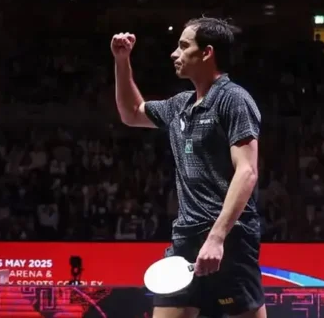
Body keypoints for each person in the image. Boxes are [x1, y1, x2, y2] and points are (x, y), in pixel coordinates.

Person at [112, 17, 266, 318]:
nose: (175, 53)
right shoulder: (180, 105)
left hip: (230, 240)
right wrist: (121, 61)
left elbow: (247, 171)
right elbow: (131, 113)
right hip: (185, 239)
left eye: (184, 46)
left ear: (207, 53)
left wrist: (217, 238)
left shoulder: (234, 100)